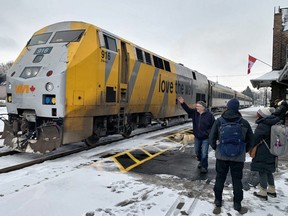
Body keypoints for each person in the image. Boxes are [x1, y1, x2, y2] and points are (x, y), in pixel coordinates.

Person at [209, 98, 253, 214]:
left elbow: (211, 138)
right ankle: (237, 203)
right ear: (238, 108)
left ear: (227, 107)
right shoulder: (244, 122)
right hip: (238, 157)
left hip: (222, 156)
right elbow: (251, 140)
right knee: (237, 180)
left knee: (220, 178)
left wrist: (217, 148)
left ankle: (218, 200)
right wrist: (244, 149)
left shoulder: (219, 121)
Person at [177, 96, 215, 174]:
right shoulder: (194, 113)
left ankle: (204, 167)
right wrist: (182, 103)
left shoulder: (210, 115)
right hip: (197, 137)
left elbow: (213, 126)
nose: (196, 107)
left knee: (204, 153)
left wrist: (209, 133)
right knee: (197, 151)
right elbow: (188, 110)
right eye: (196, 106)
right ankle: (201, 161)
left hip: (205, 137)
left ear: (203, 107)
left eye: (198, 106)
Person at [250, 107, 280, 200]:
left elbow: (256, 138)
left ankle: (263, 192)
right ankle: (272, 189)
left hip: (263, 150)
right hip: (273, 150)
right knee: (269, 170)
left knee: (262, 170)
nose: (256, 114)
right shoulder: (274, 122)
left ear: (261, 115)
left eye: (258, 113)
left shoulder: (263, 124)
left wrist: (251, 147)